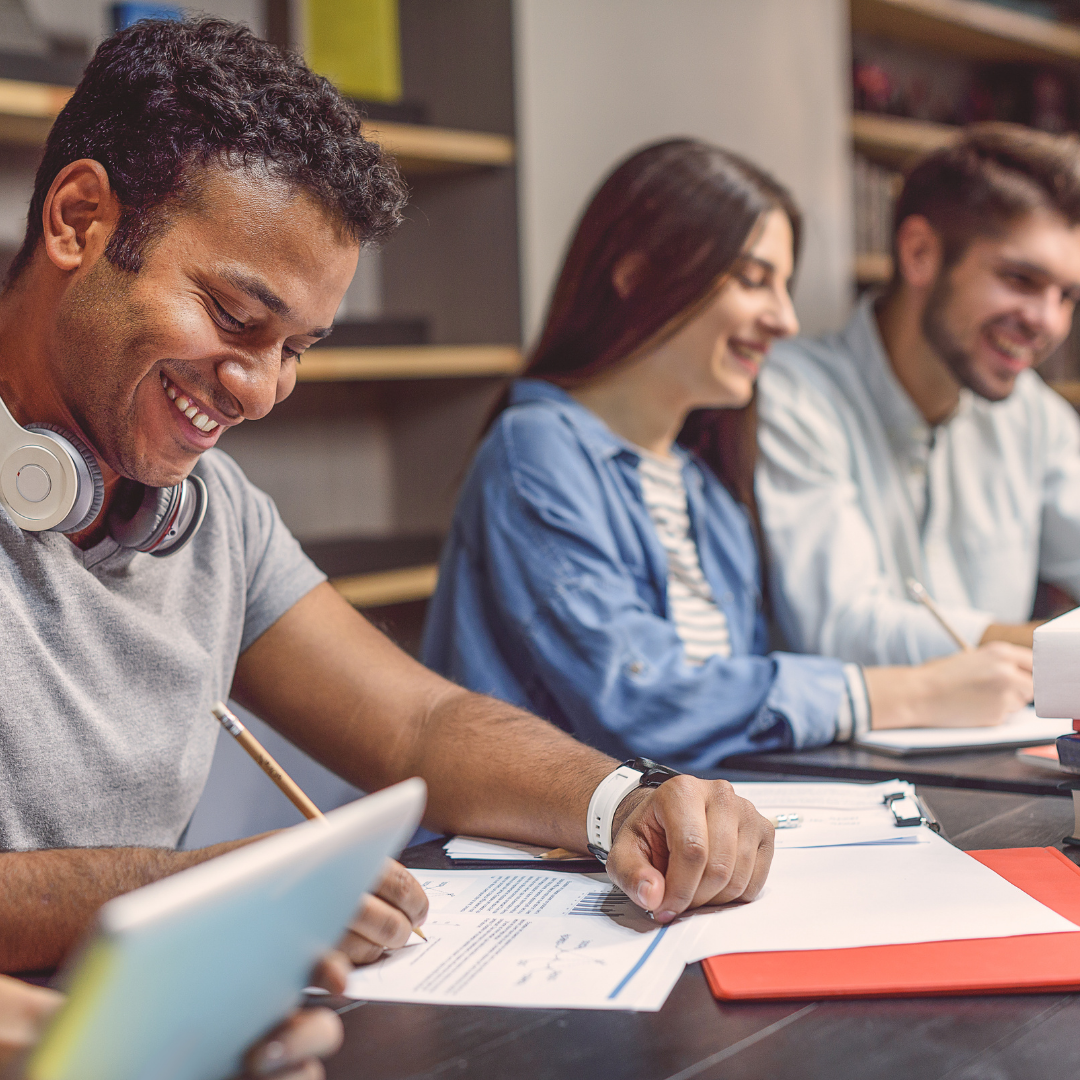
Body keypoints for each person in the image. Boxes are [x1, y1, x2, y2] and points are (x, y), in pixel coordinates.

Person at [0, 16, 773, 1035]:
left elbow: (418, 724)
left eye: (298, 349)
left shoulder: (206, 510)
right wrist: (201, 896)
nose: (261, 391)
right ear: (78, 219)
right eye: (236, 320)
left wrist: (619, 798)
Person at [421, 140, 1033, 771]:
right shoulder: (537, 449)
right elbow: (642, 704)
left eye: (784, 286)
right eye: (753, 280)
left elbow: (721, 712)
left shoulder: (706, 490)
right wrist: (910, 691)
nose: (786, 319)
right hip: (533, 859)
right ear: (634, 272)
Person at [756, 124, 1080, 665]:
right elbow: (842, 627)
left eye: (1067, 296)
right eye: (1021, 280)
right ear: (921, 253)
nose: (1048, 322)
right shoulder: (793, 395)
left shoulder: (1036, 416)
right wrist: (1054, 648)